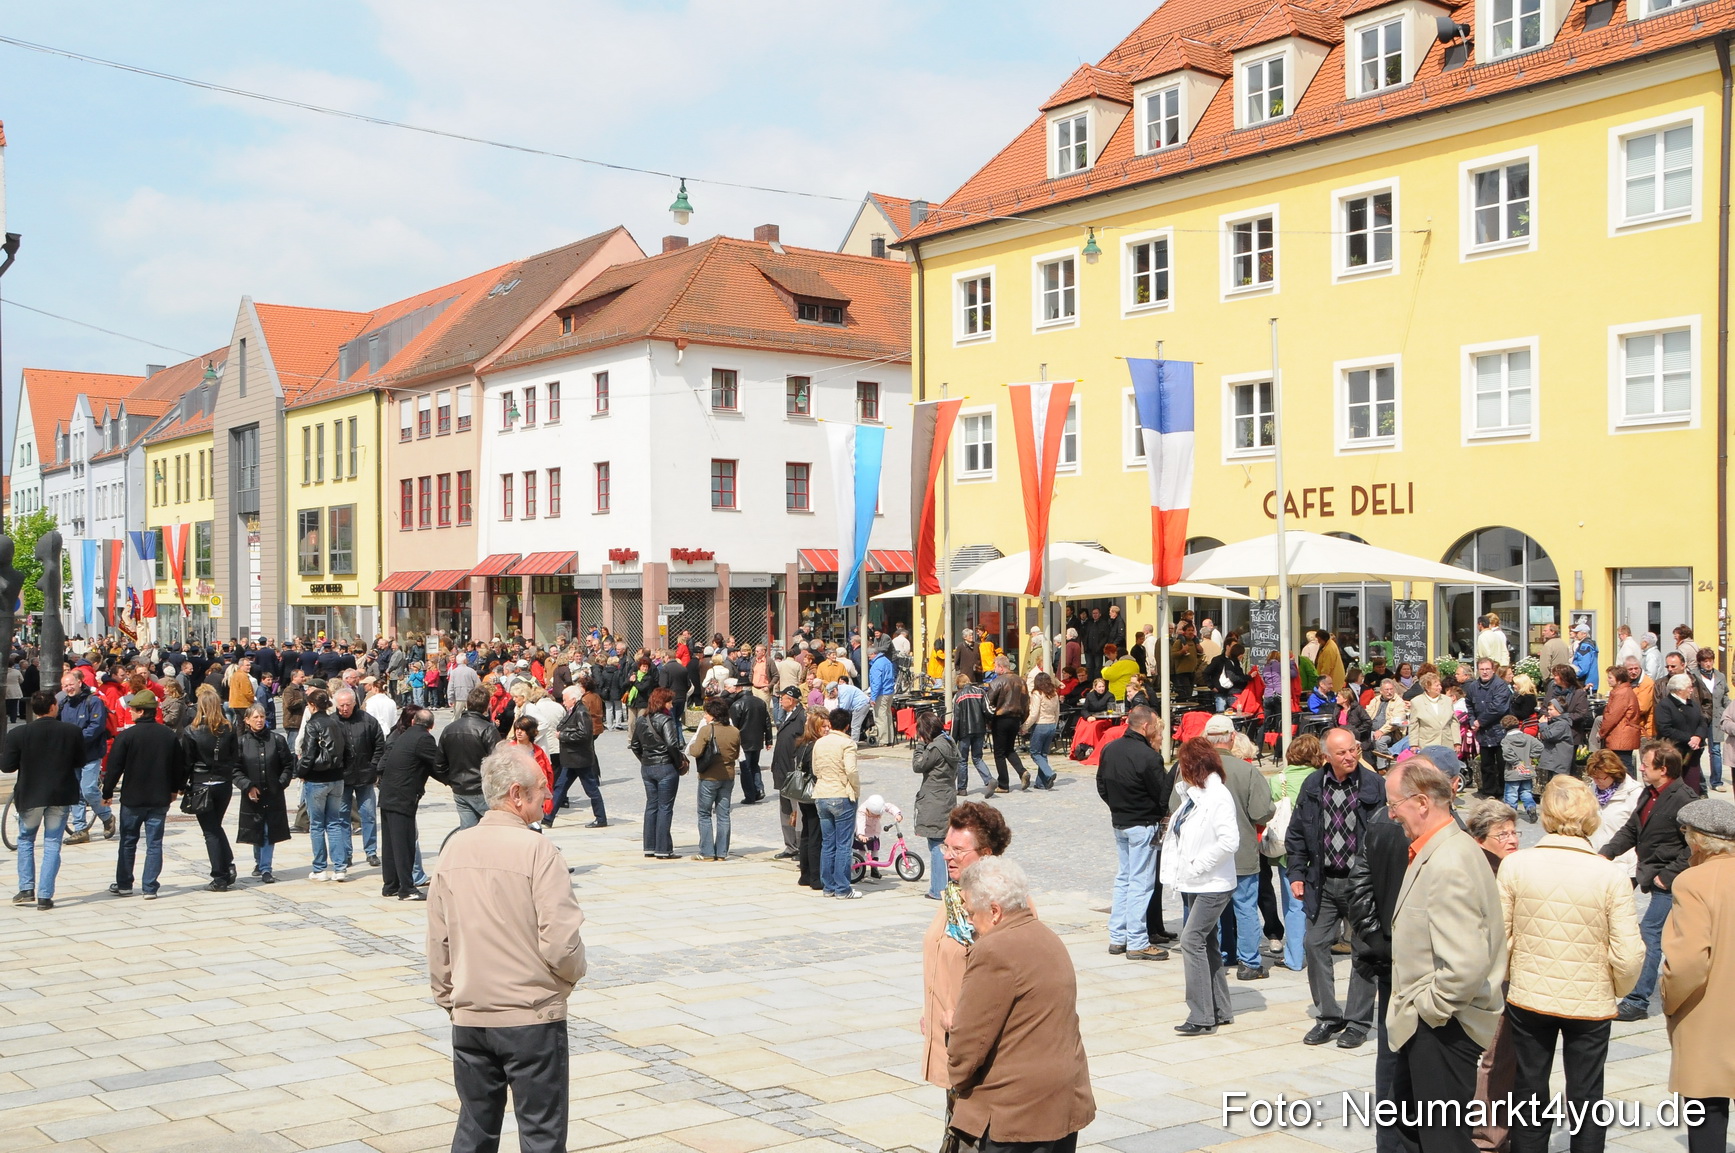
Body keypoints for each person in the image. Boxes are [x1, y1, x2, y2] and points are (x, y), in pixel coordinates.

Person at [427, 745, 586, 1153]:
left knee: (474, 1129)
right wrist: (565, 983)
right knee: (542, 1134)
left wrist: (450, 997)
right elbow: (562, 943)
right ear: (516, 794)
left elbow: (438, 940)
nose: (547, 796)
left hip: (472, 1014)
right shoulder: (539, 851)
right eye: (540, 789)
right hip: (530, 1016)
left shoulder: (453, 848)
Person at [1497, 776, 1642, 1153]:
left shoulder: (1516, 865)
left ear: (1545, 814)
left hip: (1530, 995)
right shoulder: (1610, 874)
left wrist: (1514, 973)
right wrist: (1615, 987)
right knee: (1588, 1095)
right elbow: (1628, 951)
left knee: (1528, 1089)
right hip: (1590, 1000)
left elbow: (1499, 937)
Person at [1384, 757, 1507, 1153]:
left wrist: (1429, 1010)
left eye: (1394, 805)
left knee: (1443, 1141)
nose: (1390, 815)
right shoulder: (1436, 849)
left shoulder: (1450, 859)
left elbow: (1465, 965)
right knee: (1413, 1130)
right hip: (1430, 1023)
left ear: (1421, 803)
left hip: (1443, 1026)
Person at [947, 856, 1095, 1153]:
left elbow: (970, 1040)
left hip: (1015, 1112)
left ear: (995, 911)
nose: (970, 920)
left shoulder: (993, 950)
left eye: (972, 912)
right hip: (1062, 1099)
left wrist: (957, 1077)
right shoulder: (1047, 936)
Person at [1284, 727, 1385, 1047]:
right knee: (1314, 944)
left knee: (1364, 951)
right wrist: (1296, 873)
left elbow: (1388, 831)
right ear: (1326, 757)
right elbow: (1297, 833)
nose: (1350, 756)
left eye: (1353, 749)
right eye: (1341, 752)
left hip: (1361, 884)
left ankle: (1358, 1020)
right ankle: (1328, 1015)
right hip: (1323, 882)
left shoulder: (1375, 785)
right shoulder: (1314, 785)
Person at [1598, 739, 1695, 1020]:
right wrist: (1606, 854)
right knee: (1662, 935)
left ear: (1663, 769)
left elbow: (1693, 845)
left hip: (1671, 879)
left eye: (1646, 764)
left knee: (1650, 933)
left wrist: (1669, 875)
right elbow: (1632, 829)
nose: (1640, 768)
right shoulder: (1649, 793)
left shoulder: (1683, 798)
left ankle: (1638, 1001)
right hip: (1651, 871)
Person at [1660, 797, 1735, 1153]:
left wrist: (1668, 999)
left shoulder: (1693, 882)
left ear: (1698, 839)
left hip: (1708, 1016)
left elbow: (1688, 963)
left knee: (1707, 1115)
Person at [921, 803, 1012, 1096]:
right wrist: (931, 1010)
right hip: (951, 1036)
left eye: (958, 850)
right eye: (947, 848)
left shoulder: (999, 903)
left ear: (986, 854)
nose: (948, 856)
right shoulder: (955, 896)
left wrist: (964, 1023)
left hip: (978, 1045)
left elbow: (1007, 976)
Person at [1162, 737, 1240, 1035]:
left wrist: (1198, 865)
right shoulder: (1197, 794)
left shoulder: (1217, 795)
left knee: (1191, 940)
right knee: (1206, 942)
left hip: (1212, 882)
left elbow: (1229, 840)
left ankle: (1201, 1014)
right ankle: (1219, 1008)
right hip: (1196, 882)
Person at [1197, 714, 1276, 980]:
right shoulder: (1247, 771)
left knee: (1213, 905)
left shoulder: (1195, 771)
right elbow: (1262, 811)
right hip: (1241, 850)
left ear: (1207, 739)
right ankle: (1250, 963)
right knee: (1245, 906)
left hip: (1207, 853)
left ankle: (1222, 954)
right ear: (1232, 738)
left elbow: (1176, 808)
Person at [1097, 705, 1171, 962]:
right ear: (1146, 727)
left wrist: (1117, 808)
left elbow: (1101, 785)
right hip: (1142, 823)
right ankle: (1137, 941)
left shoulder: (1110, 749)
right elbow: (1162, 794)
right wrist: (1157, 812)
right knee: (1140, 882)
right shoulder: (1149, 756)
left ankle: (1118, 936)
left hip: (1121, 821)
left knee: (1124, 878)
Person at [102, 690, 188, 900]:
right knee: (154, 843)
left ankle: (124, 884)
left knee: (128, 840)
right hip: (159, 797)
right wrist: (175, 789)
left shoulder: (126, 736)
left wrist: (107, 792)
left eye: (132, 710)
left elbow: (114, 768)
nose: (130, 713)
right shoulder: (167, 735)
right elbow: (180, 766)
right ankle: (150, 886)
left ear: (141, 711)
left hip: (133, 797)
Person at [2, 690, 84, 910]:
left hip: (30, 794)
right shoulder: (71, 732)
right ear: (53, 707)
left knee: (26, 839)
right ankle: (45, 895)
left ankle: (26, 888)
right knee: (52, 843)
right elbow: (80, 761)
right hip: (60, 792)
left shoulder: (19, 734)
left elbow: (6, 766)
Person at [1268, 734, 1324, 974]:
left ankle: (1294, 956)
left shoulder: (1277, 779)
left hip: (1288, 850)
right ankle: (1317, 950)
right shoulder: (1321, 778)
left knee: (1294, 904)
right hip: (1321, 847)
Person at [181, 684, 240, 892]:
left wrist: (181, 785)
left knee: (210, 831)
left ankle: (220, 876)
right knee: (216, 826)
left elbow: (186, 761)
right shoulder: (229, 728)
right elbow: (234, 757)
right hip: (223, 783)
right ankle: (228, 864)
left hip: (201, 781)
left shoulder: (191, 730)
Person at [378, 707, 438, 900]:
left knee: (390, 843)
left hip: (388, 795)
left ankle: (391, 885)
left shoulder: (401, 735)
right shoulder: (424, 739)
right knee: (404, 842)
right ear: (432, 726)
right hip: (402, 797)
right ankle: (407, 889)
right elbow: (437, 764)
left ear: (413, 722)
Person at [295, 686, 352, 882]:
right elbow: (347, 751)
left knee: (317, 824)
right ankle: (340, 867)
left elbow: (309, 753)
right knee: (334, 823)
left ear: (312, 705)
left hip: (317, 779)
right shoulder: (336, 723)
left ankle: (320, 868)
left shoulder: (313, 724)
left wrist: (301, 772)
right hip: (337, 778)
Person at [234, 702, 292, 885]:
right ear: (247, 720)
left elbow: (288, 766)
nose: (259, 721)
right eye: (255, 717)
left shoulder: (277, 740)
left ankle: (267, 868)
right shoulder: (241, 742)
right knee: (256, 830)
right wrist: (247, 785)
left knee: (268, 831)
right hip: (252, 795)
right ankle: (259, 863)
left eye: (262, 717)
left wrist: (280, 783)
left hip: (273, 794)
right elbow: (234, 769)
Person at [57, 668, 112, 845]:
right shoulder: (64, 704)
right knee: (75, 793)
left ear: (80, 682)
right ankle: (80, 829)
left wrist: (75, 739)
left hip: (90, 754)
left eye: (71, 684)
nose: (68, 688)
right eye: (65, 686)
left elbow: (96, 727)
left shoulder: (93, 701)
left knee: (88, 789)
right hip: (72, 756)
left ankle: (107, 816)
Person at [630, 686, 685, 860]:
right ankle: (663, 848)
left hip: (647, 768)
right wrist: (678, 763)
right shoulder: (665, 720)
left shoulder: (641, 720)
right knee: (665, 807)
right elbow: (671, 744)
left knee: (651, 806)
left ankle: (649, 846)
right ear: (663, 703)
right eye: (669, 702)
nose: (671, 706)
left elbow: (635, 745)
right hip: (665, 766)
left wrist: (645, 760)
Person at [334, 689, 386, 869]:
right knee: (342, 817)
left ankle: (371, 851)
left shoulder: (367, 720)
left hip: (365, 775)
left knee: (368, 814)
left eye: (348, 704)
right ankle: (346, 854)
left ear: (354, 703)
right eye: (341, 705)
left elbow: (380, 744)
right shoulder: (332, 723)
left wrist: (373, 767)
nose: (345, 708)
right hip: (342, 777)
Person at [813, 706, 862, 898]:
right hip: (841, 794)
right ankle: (843, 888)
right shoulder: (847, 744)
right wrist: (855, 789)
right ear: (847, 726)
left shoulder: (820, 743)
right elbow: (851, 769)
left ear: (831, 724)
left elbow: (816, 770)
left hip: (822, 794)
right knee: (843, 844)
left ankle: (828, 886)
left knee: (828, 843)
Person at [911, 712, 960, 900]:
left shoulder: (934, 748)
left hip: (934, 800)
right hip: (947, 797)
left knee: (936, 845)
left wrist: (921, 744)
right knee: (942, 842)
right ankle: (944, 885)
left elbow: (917, 765)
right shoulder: (949, 743)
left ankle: (938, 888)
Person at [439, 685, 502, 830]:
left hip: (460, 788)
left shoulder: (450, 729)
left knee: (468, 830)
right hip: (482, 789)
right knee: (493, 830)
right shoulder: (488, 729)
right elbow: (498, 762)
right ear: (486, 706)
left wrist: (452, 781)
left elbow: (439, 764)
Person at [688, 698, 740, 861]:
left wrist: (690, 747)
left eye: (706, 713)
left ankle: (707, 852)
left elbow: (695, 751)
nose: (704, 716)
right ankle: (722, 852)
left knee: (704, 813)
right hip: (728, 776)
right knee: (723, 814)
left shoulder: (707, 730)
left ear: (713, 714)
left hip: (709, 776)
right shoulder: (734, 731)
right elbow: (737, 754)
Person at [1465, 658, 1514, 798]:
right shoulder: (1473, 687)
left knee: (1502, 764)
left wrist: (1480, 721)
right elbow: (1469, 705)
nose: (1485, 672)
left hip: (1500, 731)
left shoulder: (1501, 686)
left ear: (1493, 670)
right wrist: (1472, 721)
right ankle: (1488, 791)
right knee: (1486, 764)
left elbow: (1498, 708)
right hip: (1483, 733)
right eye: (1482, 669)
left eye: (1487, 669)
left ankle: (1503, 792)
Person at [789, 709, 826, 891]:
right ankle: (815, 877)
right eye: (823, 727)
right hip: (812, 794)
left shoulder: (802, 743)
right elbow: (814, 772)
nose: (826, 730)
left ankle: (804, 875)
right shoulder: (815, 746)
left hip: (802, 793)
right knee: (815, 836)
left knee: (806, 834)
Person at [1659, 673, 1711, 796]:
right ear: (1679, 690)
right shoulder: (1665, 705)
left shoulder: (1693, 704)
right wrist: (1689, 738)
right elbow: (1665, 728)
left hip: (1693, 753)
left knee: (1692, 786)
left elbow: (1702, 722)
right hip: (1675, 753)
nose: (1691, 690)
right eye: (1689, 687)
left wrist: (1698, 737)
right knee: (1674, 787)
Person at [769, 686, 805, 860]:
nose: (780, 701)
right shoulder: (788, 716)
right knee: (785, 811)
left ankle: (800, 846)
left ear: (791, 700)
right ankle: (790, 846)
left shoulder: (801, 718)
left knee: (797, 812)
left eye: (782, 698)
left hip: (793, 774)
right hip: (782, 772)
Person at [985, 656, 1031, 791]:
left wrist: (988, 721)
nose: (994, 669)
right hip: (1016, 718)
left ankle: (1003, 784)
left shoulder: (997, 682)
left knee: (999, 752)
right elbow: (1026, 703)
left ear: (1000, 667)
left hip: (1001, 718)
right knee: (1009, 749)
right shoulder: (1021, 681)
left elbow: (989, 703)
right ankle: (1022, 771)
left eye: (995, 666)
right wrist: (1023, 721)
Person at [729, 683, 770, 805]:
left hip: (743, 741)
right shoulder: (760, 702)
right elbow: (767, 722)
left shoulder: (737, 704)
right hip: (757, 740)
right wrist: (769, 739)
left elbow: (733, 727)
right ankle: (759, 789)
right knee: (754, 765)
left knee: (745, 768)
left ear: (740, 689)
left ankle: (750, 795)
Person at [1693, 647, 1728, 791]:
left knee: (1715, 750)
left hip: (1716, 718)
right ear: (1700, 662)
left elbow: (1725, 695)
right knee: (1696, 750)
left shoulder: (1720, 676)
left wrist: (1730, 709)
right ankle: (1697, 781)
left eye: (1710, 661)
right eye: (1705, 661)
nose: (1708, 664)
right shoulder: (1693, 676)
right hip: (1699, 717)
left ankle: (1716, 782)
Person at [953, 674, 993, 797]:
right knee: (977, 757)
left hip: (964, 731)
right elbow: (987, 710)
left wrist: (953, 738)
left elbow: (956, 718)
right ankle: (989, 780)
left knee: (962, 760)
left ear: (959, 684)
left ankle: (962, 788)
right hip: (979, 729)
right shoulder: (980, 692)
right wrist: (988, 723)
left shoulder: (958, 696)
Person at [1022, 672, 1062, 790]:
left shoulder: (1037, 693)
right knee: (1043, 754)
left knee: (1035, 753)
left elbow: (1034, 714)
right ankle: (1041, 782)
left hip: (1040, 725)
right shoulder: (1054, 693)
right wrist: (1054, 724)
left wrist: (1025, 726)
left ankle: (1049, 772)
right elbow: (1057, 711)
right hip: (1051, 725)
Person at [1498, 714, 1541, 822]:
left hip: (1513, 771)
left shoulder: (1506, 740)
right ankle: (1531, 808)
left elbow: (1507, 754)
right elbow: (1540, 747)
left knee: (1511, 794)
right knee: (1526, 792)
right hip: (1526, 769)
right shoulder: (1528, 737)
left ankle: (1511, 815)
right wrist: (1530, 755)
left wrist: (1516, 762)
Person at [1599, 664, 1642, 771]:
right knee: (1621, 766)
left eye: (1610, 677)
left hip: (1621, 737)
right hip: (1622, 736)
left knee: (1623, 766)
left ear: (1618, 680)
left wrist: (1601, 733)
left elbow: (1612, 716)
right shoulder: (1622, 691)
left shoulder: (1621, 693)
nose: (1607, 680)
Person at [1408, 673, 1458, 750]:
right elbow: (1414, 725)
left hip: (1447, 744)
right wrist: (1414, 744)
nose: (1440, 688)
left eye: (1440, 685)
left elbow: (1454, 722)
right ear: (1427, 688)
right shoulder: (1416, 702)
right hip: (1427, 744)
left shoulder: (1447, 700)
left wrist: (1457, 742)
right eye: (1437, 686)